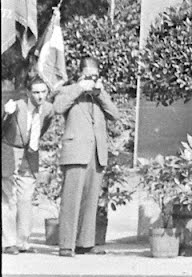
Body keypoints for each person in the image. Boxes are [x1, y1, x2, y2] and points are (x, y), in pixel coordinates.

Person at [53, 57, 119, 257]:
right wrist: (80, 87)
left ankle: (85, 242)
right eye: (88, 74)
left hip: (96, 153)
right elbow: (57, 107)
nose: (92, 78)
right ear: (80, 73)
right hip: (75, 151)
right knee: (71, 200)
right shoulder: (68, 90)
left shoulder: (99, 96)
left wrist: (101, 93)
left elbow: (114, 114)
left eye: (95, 74)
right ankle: (66, 244)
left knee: (91, 200)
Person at [2, 78, 54, 253]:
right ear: (28, 93)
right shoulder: (17, 106)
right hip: (10, 150)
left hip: (30, 154)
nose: (40, 96)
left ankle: (23, 241)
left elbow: (44, 127)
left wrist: (33, 143)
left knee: (26, 197)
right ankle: (8, 242)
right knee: (9, 197)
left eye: (43, 92)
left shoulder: (48, 109)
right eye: (36, 92)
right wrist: (6, 113)